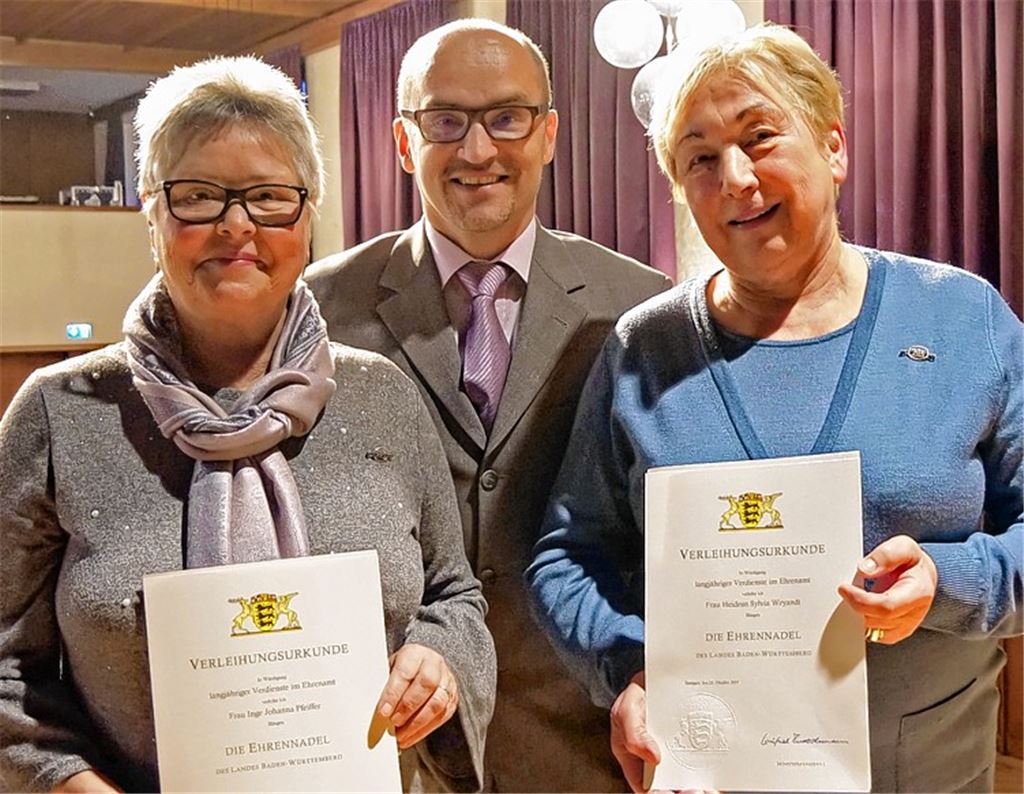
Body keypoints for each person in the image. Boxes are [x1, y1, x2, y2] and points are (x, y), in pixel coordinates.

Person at [526, 23, 1022, 794]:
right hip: (711, 777)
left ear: (833, 147)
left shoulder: (962, 318)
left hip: (928, 774)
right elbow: (566, 555)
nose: (735, 178)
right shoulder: (644, 350)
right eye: (699, 158)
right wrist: (628, 666)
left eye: (760, 137)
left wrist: (947, 579)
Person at [0, 56, 495, 793]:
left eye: (268, 197)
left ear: (308, 214)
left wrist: (440, 660)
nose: (236, 226)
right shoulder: (59, 412)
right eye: (199, 196)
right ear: (151, 212)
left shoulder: (382, 397)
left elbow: (454, 596)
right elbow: (7, 665)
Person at [305, 18, 671, 793]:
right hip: (386, 741)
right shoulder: (319, 311)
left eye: (507, 117)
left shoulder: (640, 305)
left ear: (548, 134)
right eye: (445, 121)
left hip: (587, 741)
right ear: (404, 142)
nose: (477, 150)